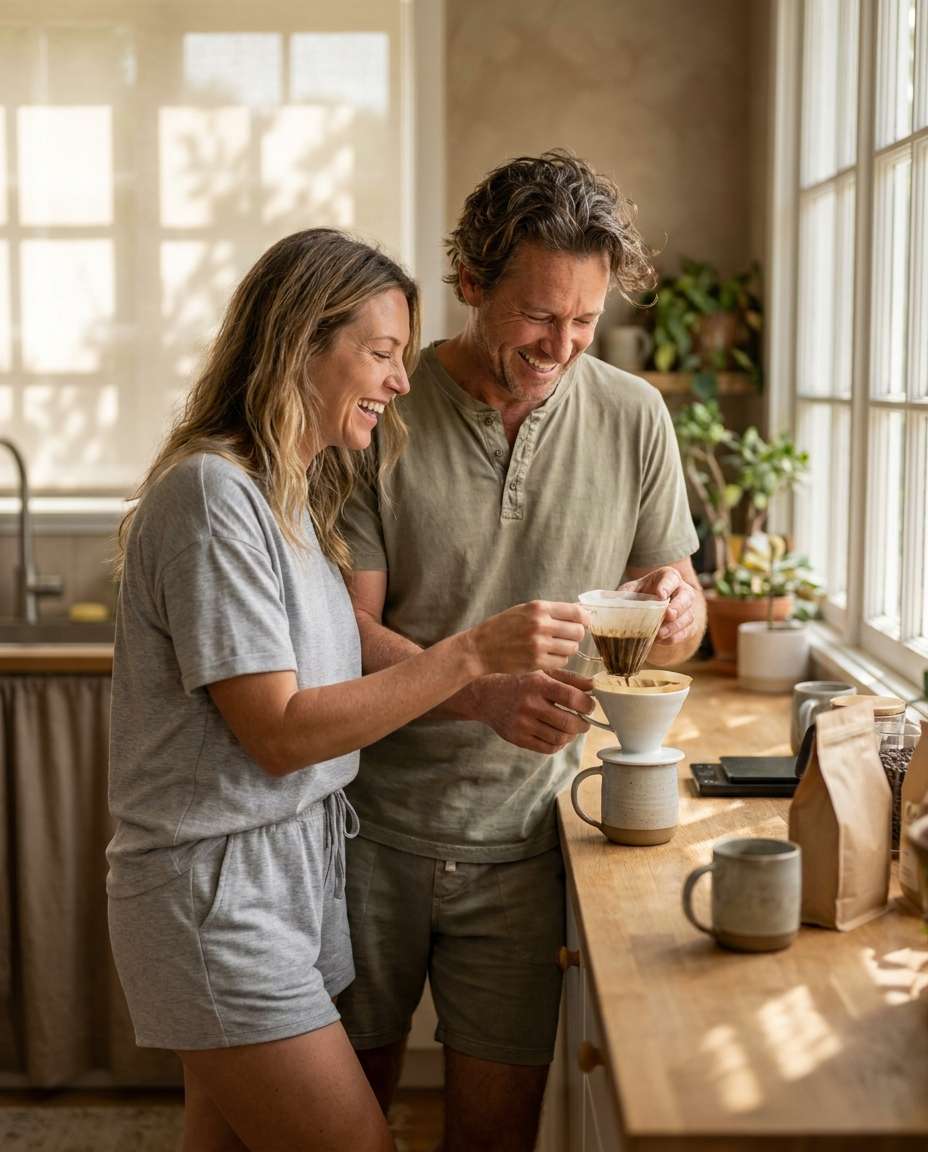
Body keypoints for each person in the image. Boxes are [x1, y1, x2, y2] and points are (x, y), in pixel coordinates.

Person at [106, 227, 588, 1152]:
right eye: (380, 354)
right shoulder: (212, 497)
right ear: (299, 346)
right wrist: (471, 656)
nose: (400, 382)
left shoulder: (285, 503)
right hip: (220, 895)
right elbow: (279, 734)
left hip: (286, 879)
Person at [338, 152, 707, 1152]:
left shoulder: (631, 417)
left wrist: (679, 606)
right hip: (368, 830)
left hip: (533, 838)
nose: (563, 345)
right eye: (540, 316)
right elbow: (338, 633)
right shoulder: (380, 410)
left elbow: (677, 595)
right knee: (336, 1123)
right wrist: (477, 693)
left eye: (585, 321)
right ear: (470, 283)